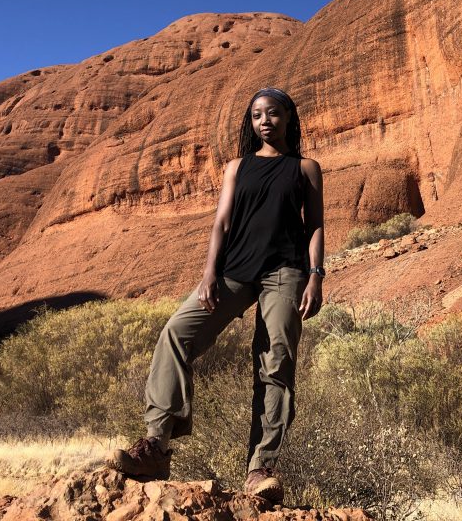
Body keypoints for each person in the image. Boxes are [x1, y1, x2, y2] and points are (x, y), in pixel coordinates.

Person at [107, 86, 325, 503]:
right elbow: (221, 224)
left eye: (274, 113)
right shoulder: (236, 168)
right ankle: (156, 444)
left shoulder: (305, 169)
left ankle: (261, 469)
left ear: (288, 119)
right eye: (258, 115)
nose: (265, 121)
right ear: (251, 122)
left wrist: (316, 276)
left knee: (275, 361)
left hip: (286, 272)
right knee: (176, 333)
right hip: (233, 271)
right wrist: (209, 273)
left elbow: (314, 225)